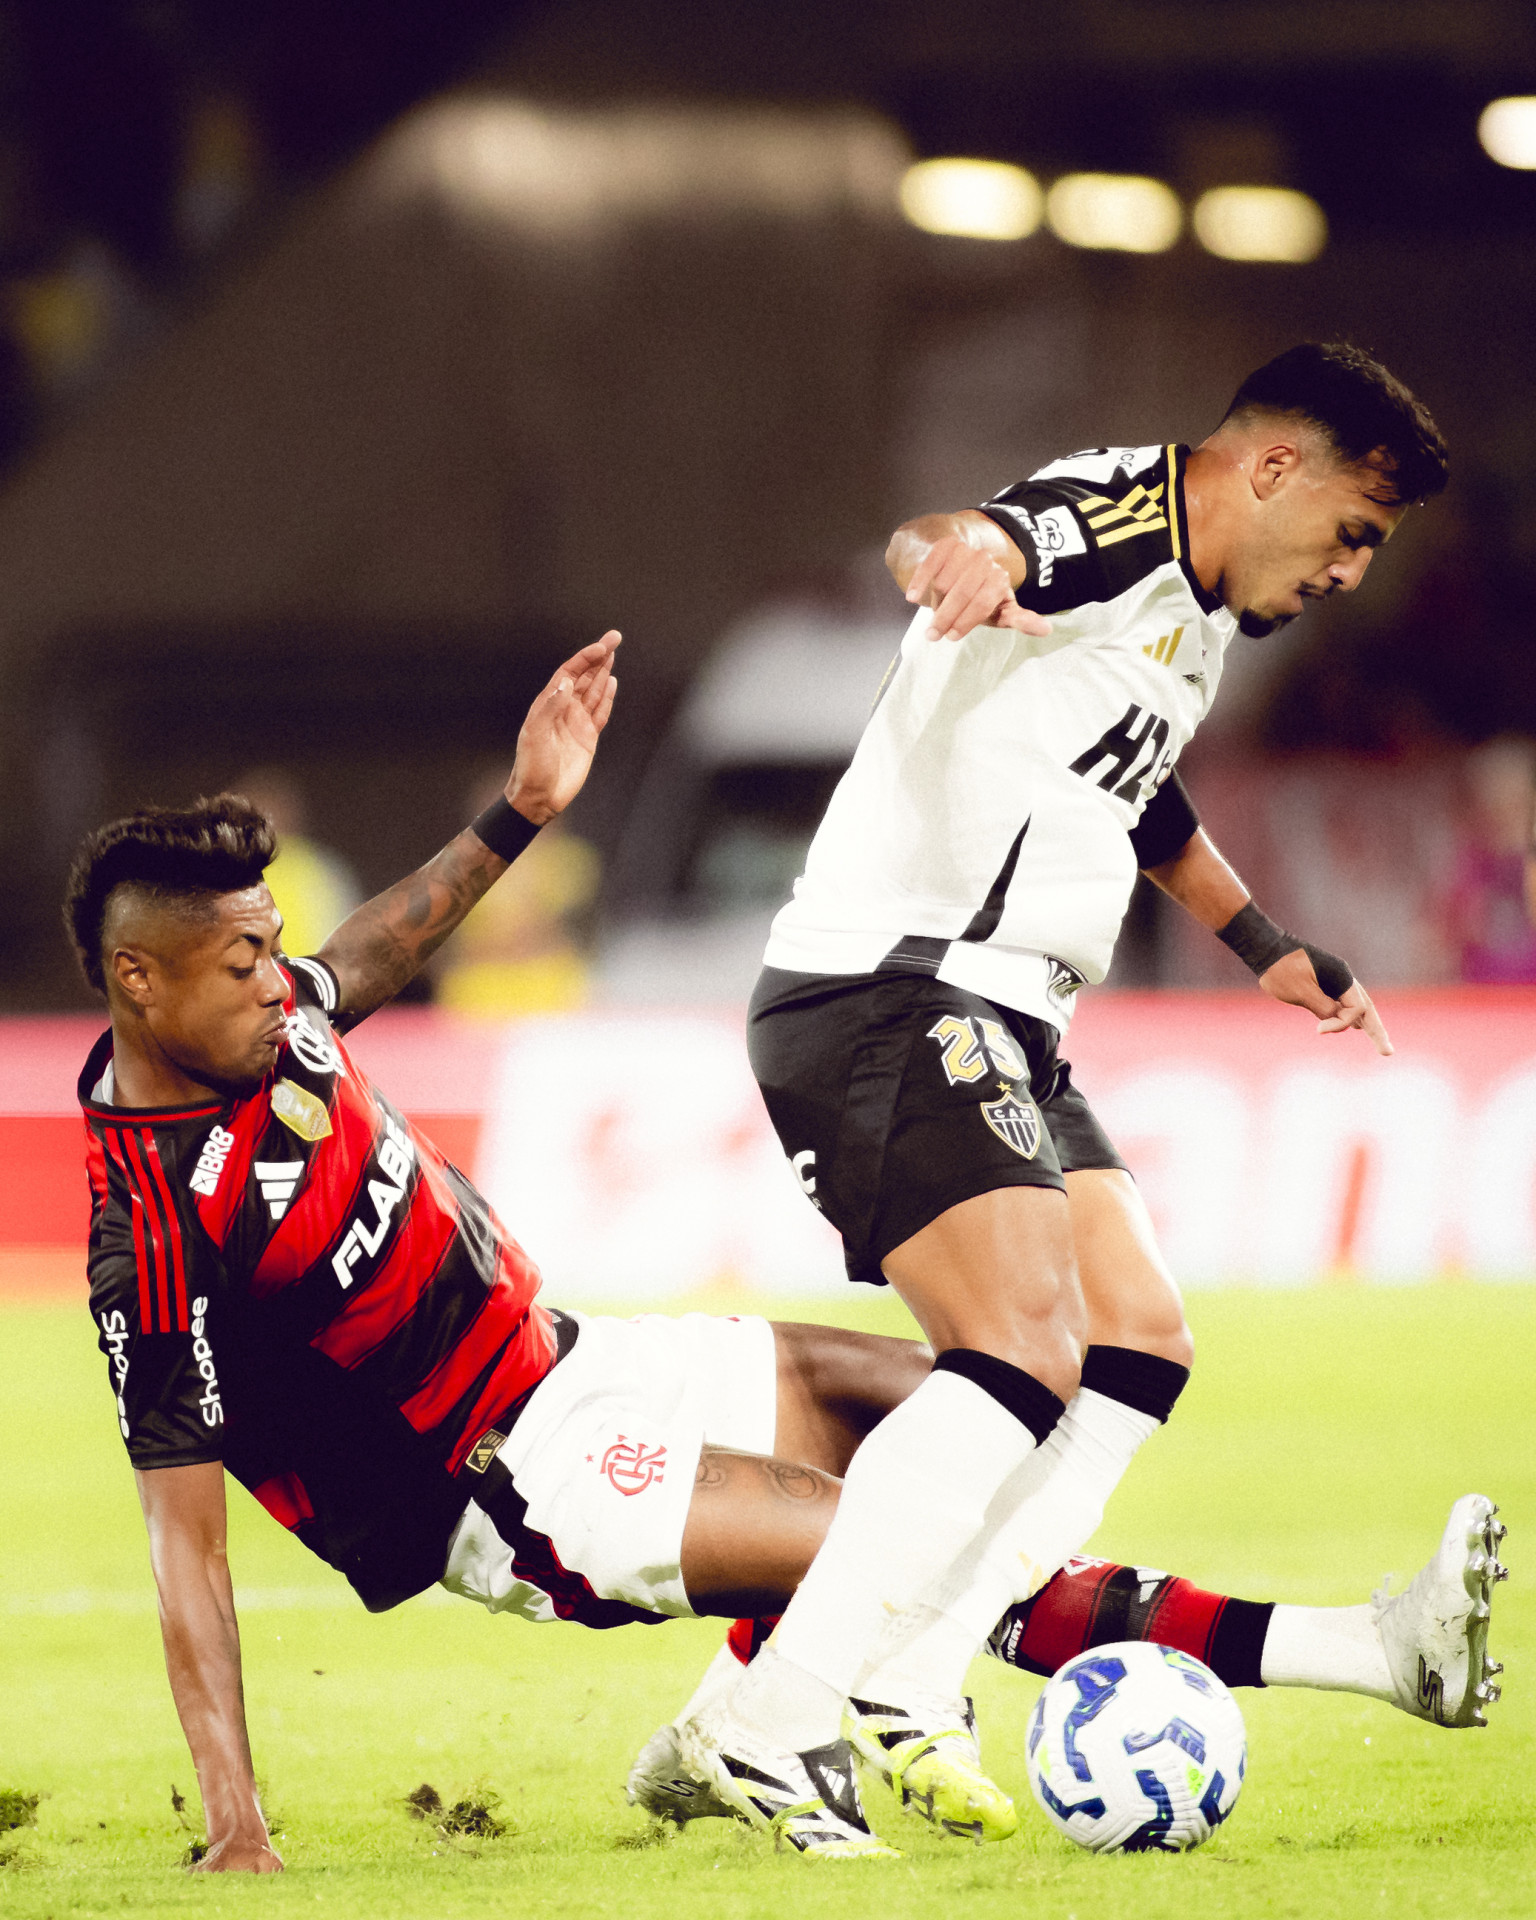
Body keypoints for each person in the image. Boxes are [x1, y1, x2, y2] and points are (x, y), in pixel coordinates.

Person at [65, 631, 1502, 1873]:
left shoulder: (273, 1022)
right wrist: (237, 1820)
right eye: (245, 957)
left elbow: (366, 954)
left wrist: (520, 811)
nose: (278, 975)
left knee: (990, 1411)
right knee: (906, 1552)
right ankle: (1363, 1655)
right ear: (140, 981)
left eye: (270, 947)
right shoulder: (153, 1235)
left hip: (590, 1361)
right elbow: (185, 1551)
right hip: (512, 1487)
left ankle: (722, 1733)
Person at [684, 342, 1455, 1850]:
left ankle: (913, 1665)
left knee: (1139, 1341)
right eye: (1356, 530)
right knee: (1022, 1347)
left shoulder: (1193, 622)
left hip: (1008, 1013)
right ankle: (772, 1725)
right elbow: (984, 535)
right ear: (1273, 472)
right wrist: (951, 551)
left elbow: (1141, 795)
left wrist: (1264, 948)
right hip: (895, 987)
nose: (1356, 572)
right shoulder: (1113, 517)